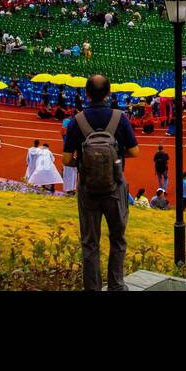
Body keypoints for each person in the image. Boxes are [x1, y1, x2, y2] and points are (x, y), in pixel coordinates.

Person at [62, 74, 139, 291]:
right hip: (115, 187)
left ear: (86, 94)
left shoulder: (78, 120)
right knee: (117, 238)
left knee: (90, 243)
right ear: (108, 93)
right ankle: (116, 285)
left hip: (88, 189)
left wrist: (86, 162)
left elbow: (67, 159)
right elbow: (134, 151)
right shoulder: (119, 117)